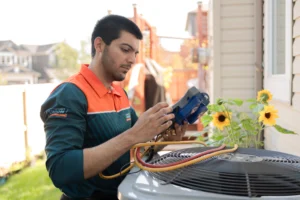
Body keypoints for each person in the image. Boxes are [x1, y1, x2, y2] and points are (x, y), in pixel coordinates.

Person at [40, 14, 188, 200]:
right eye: (125, 49)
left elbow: (135, 151)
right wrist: (133, 135)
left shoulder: (120, 93)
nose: (132, 59)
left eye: (135, 53)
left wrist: (164, 141)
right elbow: (60, 169)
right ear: (99, 45)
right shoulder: (69, 94)